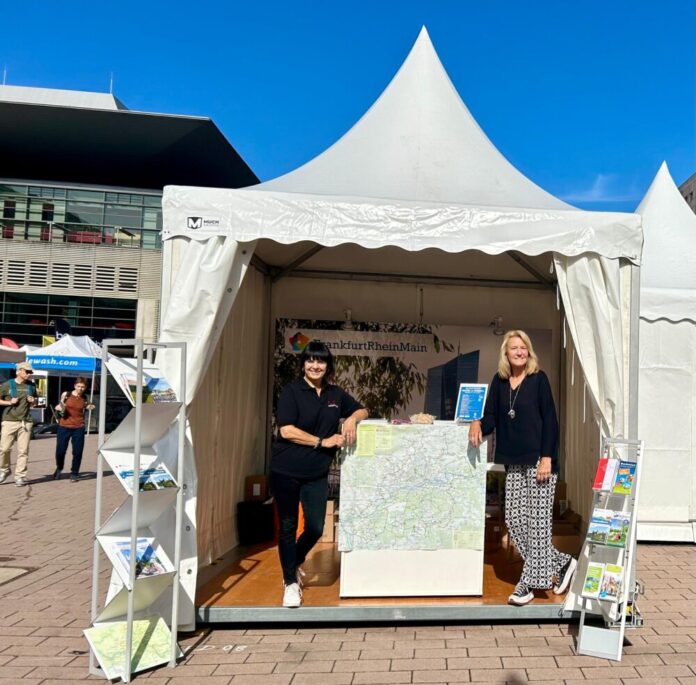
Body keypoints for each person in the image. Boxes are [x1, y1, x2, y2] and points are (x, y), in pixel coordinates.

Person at [469, 330, 577, 606]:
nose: (519, 352)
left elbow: (550, 420)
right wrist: (478, 423)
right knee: (516, 521)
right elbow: (491, 415)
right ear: (506, 354)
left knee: (538, 524)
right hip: (513, 460)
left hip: (540, 462)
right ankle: (563, 562)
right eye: (514, 348)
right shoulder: (500, 380)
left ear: (529, 352)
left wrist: (547, 458)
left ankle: (528, 584)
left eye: (523, 347)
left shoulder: (538, 380)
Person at [271, 340, 368, 608]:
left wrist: (351, 419)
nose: (315, 365)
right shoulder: (292, 391)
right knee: (289, 527)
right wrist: (321, 442)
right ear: (303, 364)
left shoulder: (334, 395)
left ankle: (293, 561)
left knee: (315, 526)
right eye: (310, 361)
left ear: (328, 366)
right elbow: (286, 430)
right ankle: (290, 582)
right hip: (286, 470)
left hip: (316, 472)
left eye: (321, 361)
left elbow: (363, 409)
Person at [0, 361, 37, 487]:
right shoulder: (7, 385)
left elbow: (34, 404)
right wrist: (9, 402)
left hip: (25, 422)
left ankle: (20, 476)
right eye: (27, 372)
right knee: (4, 449)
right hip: (9, 420)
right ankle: (4, 470)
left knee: (23, 451)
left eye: (30, 372)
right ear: (19, 371)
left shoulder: (31, 386)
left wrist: (32, 402)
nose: (29, 374)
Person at [53, 377, 94, 482]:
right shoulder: (66, 394)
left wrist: (90, 407)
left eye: (82, 387)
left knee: (77, 452)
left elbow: (89, 406)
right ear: (75, 386)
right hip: (64, 426)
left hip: (78, 427)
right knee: (60, 451)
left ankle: (74, 473)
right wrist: (59, 407)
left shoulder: (85, 397)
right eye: (78, 386)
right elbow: (61, 405)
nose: (80, 389)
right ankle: (59, 467)